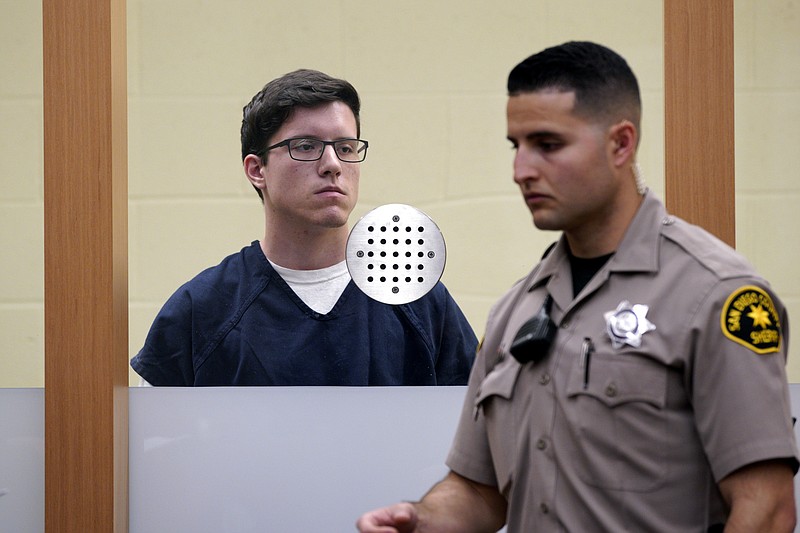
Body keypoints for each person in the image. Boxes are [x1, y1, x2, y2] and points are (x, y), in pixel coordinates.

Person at [357, 41, 798, 532]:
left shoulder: (714, 295)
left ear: (621, 144)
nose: (521, 170)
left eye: (548, 145)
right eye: (516, 146)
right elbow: (478, 490)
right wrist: (419, 520)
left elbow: (767, 509)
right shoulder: (515, 311)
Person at [130, 69, 477, 386]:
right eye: (306, 146)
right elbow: (153, 446)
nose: (332, 165)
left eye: (345, 147)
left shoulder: (417, 298)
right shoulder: (201, 310)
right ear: (257, 170)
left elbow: (478, 435)